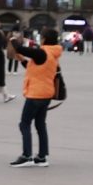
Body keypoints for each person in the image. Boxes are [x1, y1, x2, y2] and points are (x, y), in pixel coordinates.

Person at [10, 28, 60, 166]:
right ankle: (42, 157)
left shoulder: (42, 52)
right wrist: (21, 60)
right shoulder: (51, 54)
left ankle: (27, 155)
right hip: (46, 94)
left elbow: (20, 48)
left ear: (44, 39)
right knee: (40, 125)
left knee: (24, 123)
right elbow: (36, 69)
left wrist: (12, 39)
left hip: (36, 94)